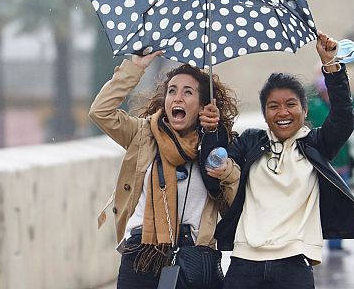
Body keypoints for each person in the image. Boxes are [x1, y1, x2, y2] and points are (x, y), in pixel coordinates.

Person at [214, 31, 354, 289]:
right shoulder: (250, 142)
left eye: (291, 104)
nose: (283, 112)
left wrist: (330, 66)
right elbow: (219, 169)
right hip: (244, 263)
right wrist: (212, 130)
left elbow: (343, 117)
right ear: (264, 113)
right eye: (273, 106)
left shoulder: (315, 144)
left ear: (305, 109)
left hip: (294, 265)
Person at [89, 52, 240, 289]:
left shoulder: (217, 144)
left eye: (187, 92)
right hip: (141, 254)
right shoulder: (143, 133)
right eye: (172, 91)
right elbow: (101, 112)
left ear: (203, 105)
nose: (177, 98)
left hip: (194, 258)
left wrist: (215, 144)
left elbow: (234, 205)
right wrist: (135, 67)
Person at [307, 70, 354, 254]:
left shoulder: (345, 102)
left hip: (341, 162)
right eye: (325, 91)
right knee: (316, 205)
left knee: (338, 204)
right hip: (316, 164)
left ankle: (336, 245)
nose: (328, 95)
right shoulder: (311, 105)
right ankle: (313, 244)